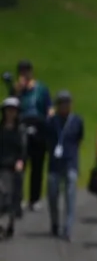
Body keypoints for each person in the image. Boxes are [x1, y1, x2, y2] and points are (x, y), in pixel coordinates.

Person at [11, 61, 50, 213]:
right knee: (21, 164)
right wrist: (17, 92)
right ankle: (18, 197)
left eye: (26, 72)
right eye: (21, 72)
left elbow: (47, 107)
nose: (24, 75)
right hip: (22, 127)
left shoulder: (41, 89)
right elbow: (12, 108)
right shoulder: (17, 90)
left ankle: (35, 198)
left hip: (39, 127)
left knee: (37, 165)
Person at [44, 90, 82, 240]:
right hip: (54, 164)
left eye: (67, 102)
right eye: (61, 103)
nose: (64, 106)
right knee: (53, 195)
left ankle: (68, 227)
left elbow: (79, 138)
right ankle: (54, 222)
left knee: (70, 195)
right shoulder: (51, 121)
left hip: (70, 162)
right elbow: (47, 138)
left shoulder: (77, 121)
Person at [0, 99, 24, 238]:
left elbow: (23, 149)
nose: (10, 113)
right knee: (3, 193)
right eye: (8, 110)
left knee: (14, 196)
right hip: (1, 166)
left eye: (13, 111)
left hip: (14, 166)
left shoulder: (20, 130)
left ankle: (11, 223)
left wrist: (20, 161)